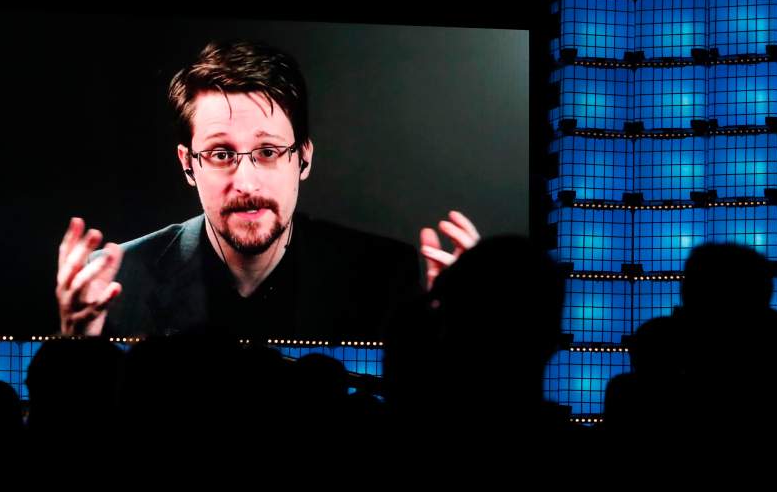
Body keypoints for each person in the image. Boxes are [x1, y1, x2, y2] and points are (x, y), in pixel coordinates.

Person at [55, 41, 479, 339]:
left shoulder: (384, 278)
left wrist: (451, 343)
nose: (246, 181)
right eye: (221, 153)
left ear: (304, 159)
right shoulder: (116, 283)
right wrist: (76, 351)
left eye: (269, 151)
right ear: (188, 164)